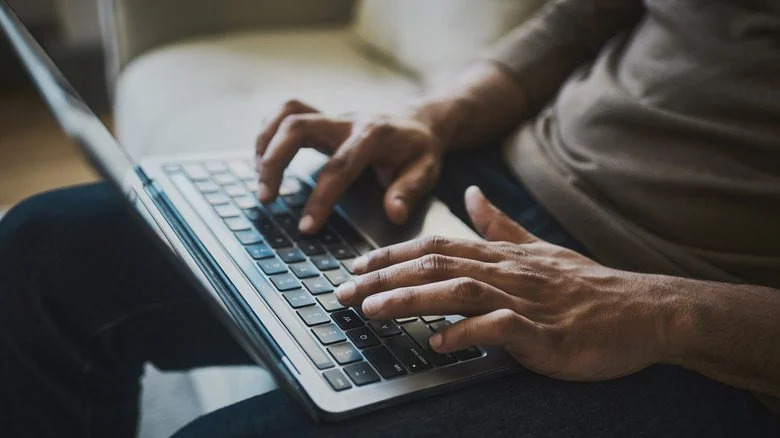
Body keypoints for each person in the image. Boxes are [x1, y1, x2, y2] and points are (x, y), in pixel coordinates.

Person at [2, 0, 779, 436]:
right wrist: (438, 116)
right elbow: (586, 17)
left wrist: (666, 312)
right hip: (491, 187)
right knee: (39, 255)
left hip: (693, 328)